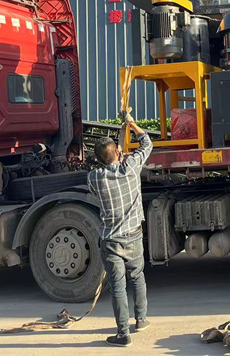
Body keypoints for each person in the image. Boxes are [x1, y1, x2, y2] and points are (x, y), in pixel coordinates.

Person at [88, 109, 152, 346]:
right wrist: (131, 124)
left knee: (117, 286)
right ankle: (141, 320)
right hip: (133, 234)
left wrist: (115, 155)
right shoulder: (131, 167)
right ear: (117, 152)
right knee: (137, 277)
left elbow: (101, 170)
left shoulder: (94, 178)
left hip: (111, 240)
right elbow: (147, 143)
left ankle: (123, 334)